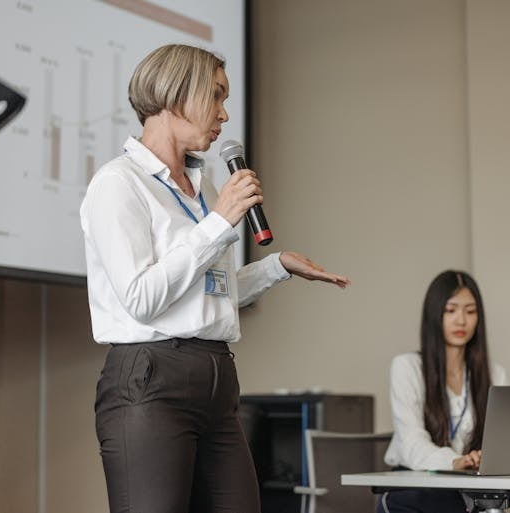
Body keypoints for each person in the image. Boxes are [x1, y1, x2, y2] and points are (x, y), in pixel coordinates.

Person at [80, 44, 350, 513]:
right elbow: (142, 298)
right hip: (151, 380)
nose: (225, 114)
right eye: (217, 97)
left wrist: (275, 266)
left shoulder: (201, 188)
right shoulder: (118, 184)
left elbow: (205, 296)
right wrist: (219, 224)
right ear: (174, 93)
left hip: (217, 380)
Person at [378, 270, 507, 513]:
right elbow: (411, 442)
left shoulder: (494, 373)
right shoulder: (407, 367)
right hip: (414, 489)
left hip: (467, 490)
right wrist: (454, 461)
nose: (461, 321)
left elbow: (501, 441)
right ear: (434, 314)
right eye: (451, 310)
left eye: (470, 311)